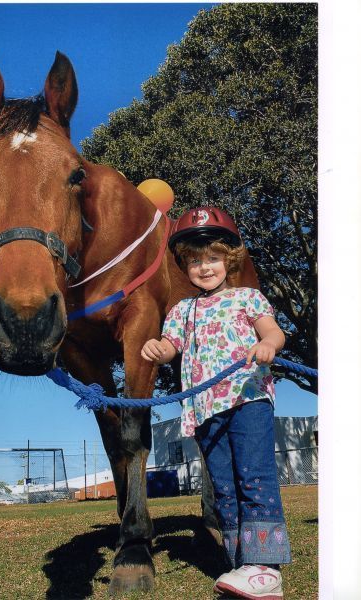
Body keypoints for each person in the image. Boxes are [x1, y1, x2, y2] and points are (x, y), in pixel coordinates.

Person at [141, 207, 291, 599]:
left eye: (212, 258)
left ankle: (266, 566)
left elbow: (274, 332)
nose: (204, 267)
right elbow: (171, 347)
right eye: (194, 260)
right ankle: (241, 564)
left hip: (248, 399)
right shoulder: (181, 311)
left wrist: (267, 345)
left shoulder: (247, 297)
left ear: (229, 258)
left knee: (253, 477)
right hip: (204, 409)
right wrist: (159, 348)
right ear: (185, 264)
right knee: (223, 487)